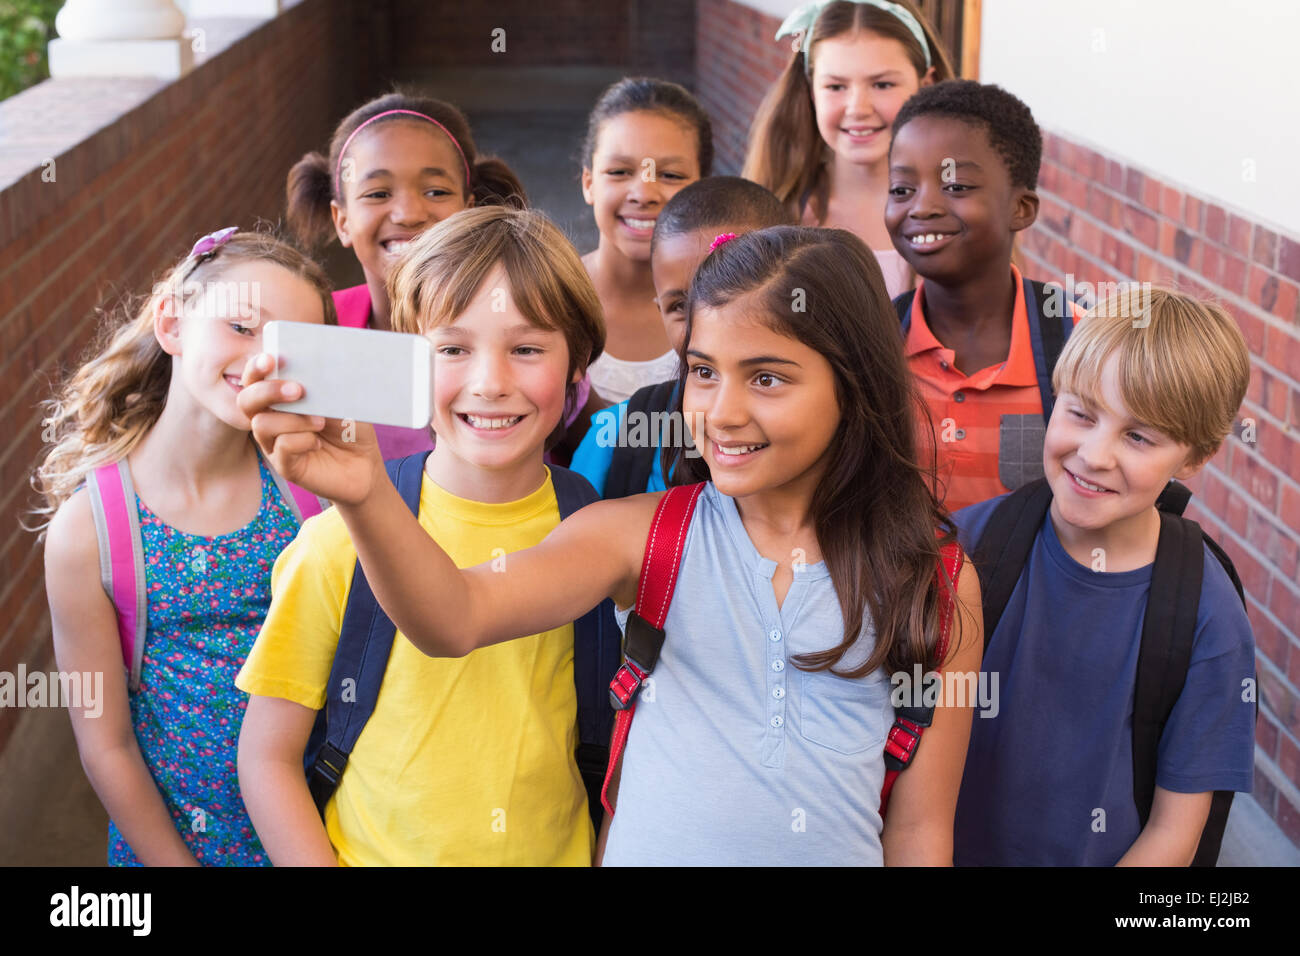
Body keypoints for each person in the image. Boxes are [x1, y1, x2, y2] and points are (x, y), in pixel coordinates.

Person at [238, 226, 984, 866]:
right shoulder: (635, 533)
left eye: (766, 377)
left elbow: (920, 827)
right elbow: (454, 616)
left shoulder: (938, 581)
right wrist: (365, 493)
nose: (720, 412)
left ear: (853, 385)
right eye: (702, 372)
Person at [235, 206, 615, 866]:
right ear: (408, 359)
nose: (490, 383)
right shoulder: (336, 544)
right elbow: (267, 757)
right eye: (453, 349)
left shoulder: (600, 539)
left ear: (577, 361)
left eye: (526, 348)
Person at [34, 228, 334, 865]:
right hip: (174, 849)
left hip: (321, 837)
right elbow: (105, 744)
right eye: (242, 326)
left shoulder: (309, 495)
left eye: (291, 346)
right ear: (172, 322)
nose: (261, 362)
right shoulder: (90, 531)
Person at [951, 287, 1256, 866]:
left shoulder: (1206, 616)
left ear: (1195, 457)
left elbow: (1174, 835)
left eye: (1139, 436)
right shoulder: (963, 548)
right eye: (1081, 413)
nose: (1094, 454)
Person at [286, 89, 527, 459]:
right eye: (378, 194)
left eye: (435, 191)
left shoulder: (524, 323)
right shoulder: (313, 330)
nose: (409, 214)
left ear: (469, 209)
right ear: (343, 220)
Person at [886, 79, 1086, 512]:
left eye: (956, 187)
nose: (922, 207)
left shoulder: (1081, 344)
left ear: (1021, 208)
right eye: (902, 190)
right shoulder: (870, 343)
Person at [571, 176, 794, 497]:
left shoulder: (825, 423)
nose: (706, 321)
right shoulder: (618, 434)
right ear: (659, 310)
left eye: (733, 293)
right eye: (681, 305)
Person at [743, 0, 953, 298]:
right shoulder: (776, 212)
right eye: (836, 87)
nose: (858, 109)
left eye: (882, 85)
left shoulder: (960, 212)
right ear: (811, 90)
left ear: (925, 85)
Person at [579, 77, 712, 403]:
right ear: (588, 183)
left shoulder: (725, 307)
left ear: (703, 188)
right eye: (619, 172)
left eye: (670, 175)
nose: (643, 194)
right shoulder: (547, 297)